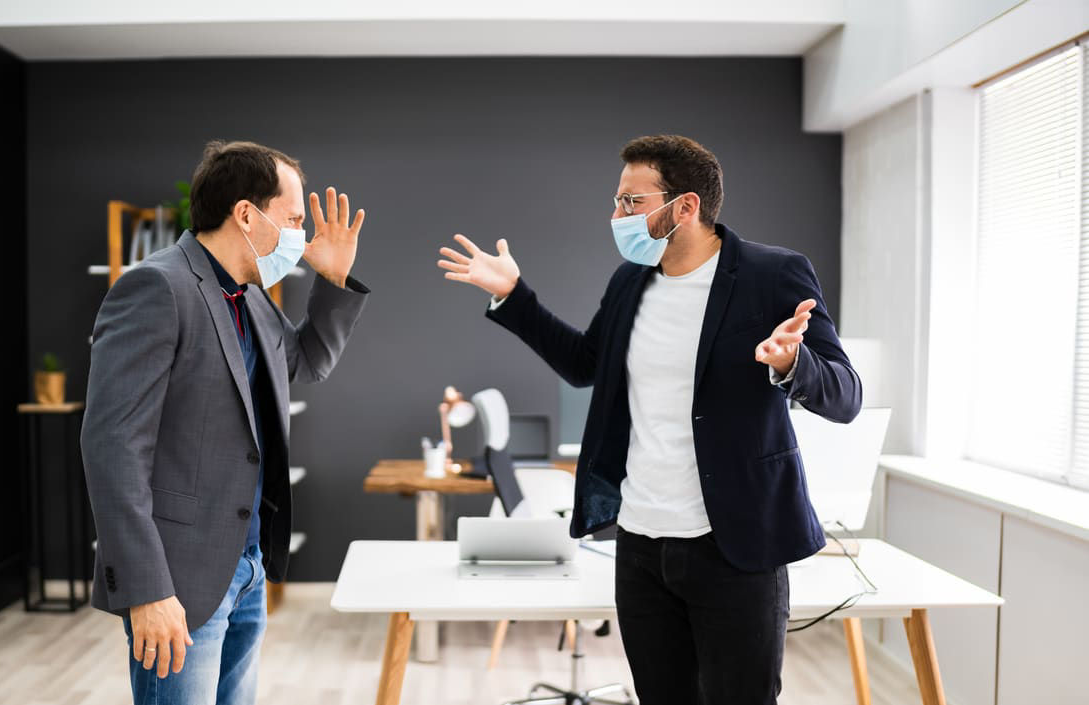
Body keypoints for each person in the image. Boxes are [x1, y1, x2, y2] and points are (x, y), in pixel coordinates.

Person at [437, 134, 861, 704]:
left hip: (734, 544)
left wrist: (792, 363)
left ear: (685, 206)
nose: (615, 216)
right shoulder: (631, 282)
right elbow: (586, 363)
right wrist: (514, 296)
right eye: (617, 201)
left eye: (630, 203)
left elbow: (846, 395)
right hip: (641, 545)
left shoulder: (773, 274)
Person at [82, 140, 369, 705]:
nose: (300, 236)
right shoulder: (155, 287)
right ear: (246, 213)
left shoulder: (253, 297)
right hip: (178, 577)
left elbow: (305, 364)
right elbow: (111, 447)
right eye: (292, 219)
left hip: (246, 567)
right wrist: (147, 591)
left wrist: (332, 282)